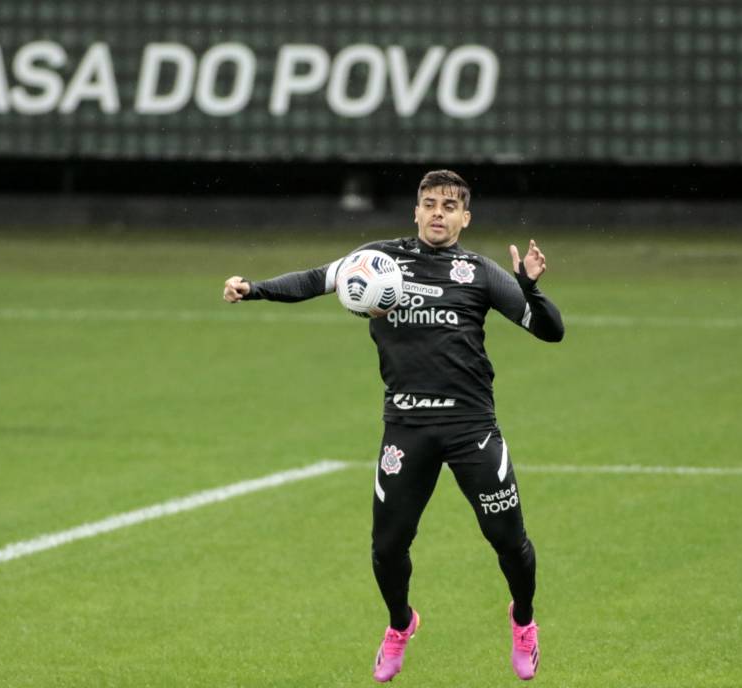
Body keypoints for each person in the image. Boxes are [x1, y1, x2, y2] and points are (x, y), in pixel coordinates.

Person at [223, 170, 563, 682]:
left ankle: (523, 621)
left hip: (471, 427)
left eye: (450, 206)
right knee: (386, 548)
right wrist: (255, 289)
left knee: (509, 541)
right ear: (416, 210)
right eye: (430, 203)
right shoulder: (377, 261)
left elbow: (551, 332)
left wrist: (530, 288)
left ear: (465, 218)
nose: (438, 213)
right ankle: (401, 624)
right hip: (406, 426)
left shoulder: (480, 272)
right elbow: (316, 280)